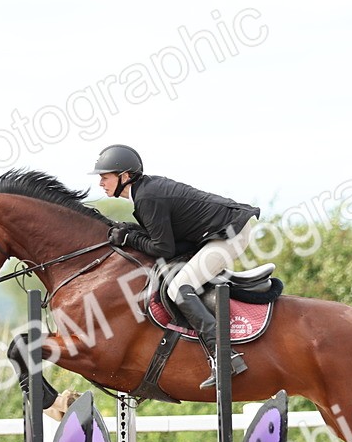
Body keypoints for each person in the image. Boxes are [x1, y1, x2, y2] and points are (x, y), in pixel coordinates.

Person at [89, 144, 260, 389]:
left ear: (124, 176)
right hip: (213, 233)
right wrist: (131, 231)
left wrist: (129, 238)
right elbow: (162, 238)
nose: (101, 183)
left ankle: (224, 357)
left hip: (230, 233)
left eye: (105, 177)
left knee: (179, 287)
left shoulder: (147, 197)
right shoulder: (145, 192)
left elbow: (163, 249)